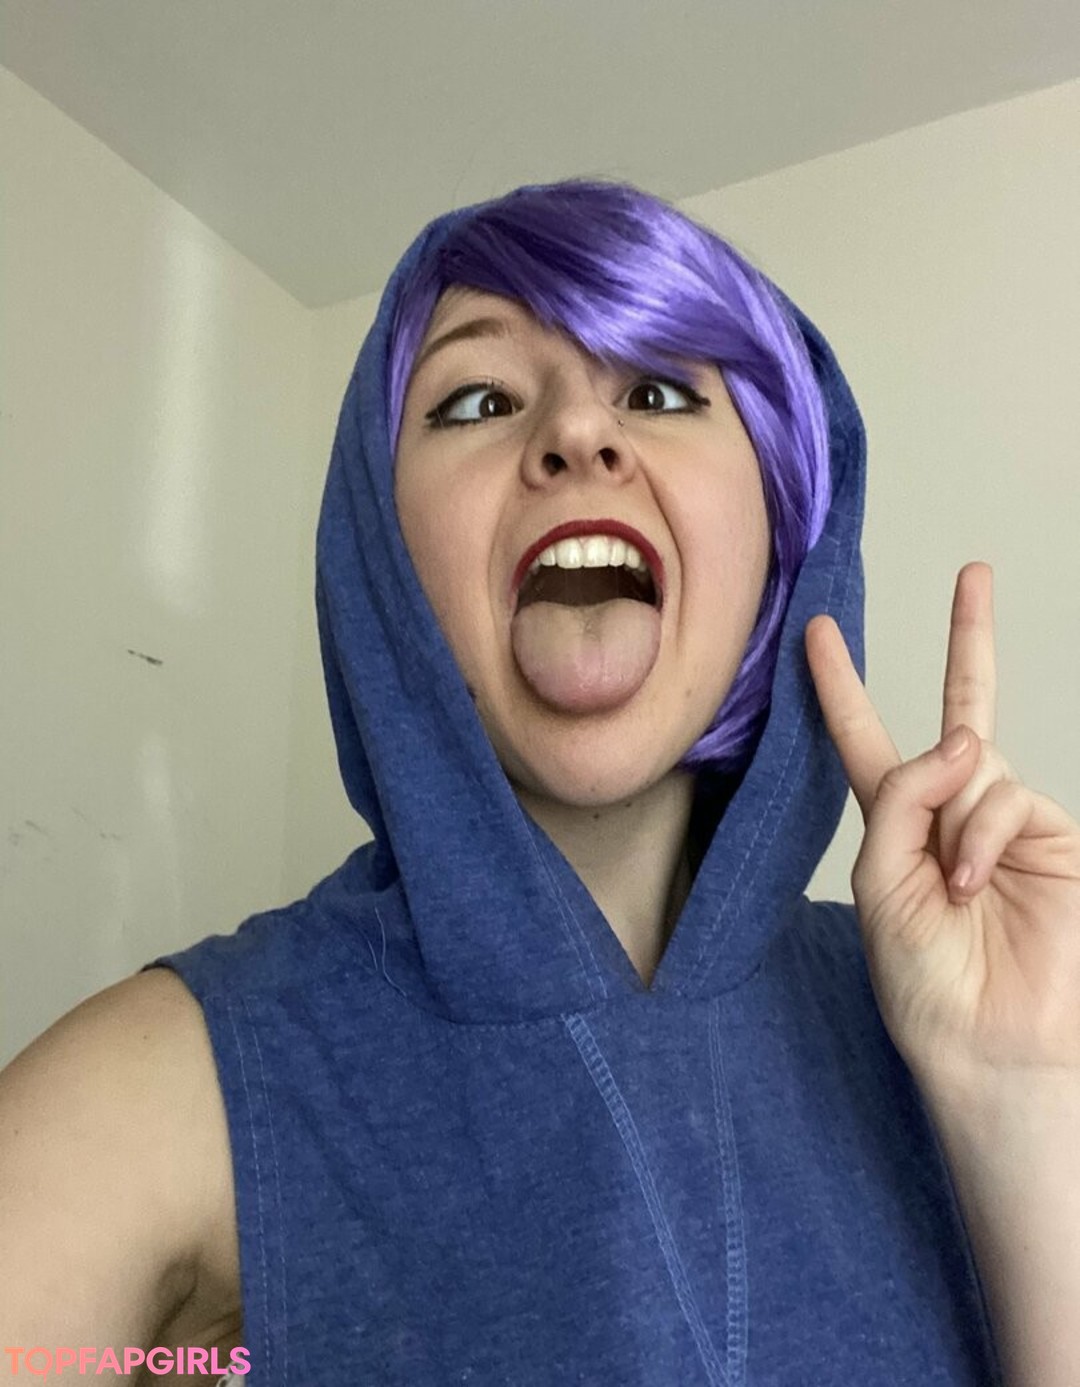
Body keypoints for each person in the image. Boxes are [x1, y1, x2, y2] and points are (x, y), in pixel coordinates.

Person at [1, 179, 1077, 1386]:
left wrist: (1024, 1101)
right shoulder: (165, 1086)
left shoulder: (950, 1020)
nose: (576, 433)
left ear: (781, 528)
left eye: (659, 391)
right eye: (478, 399)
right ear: (382, 549)